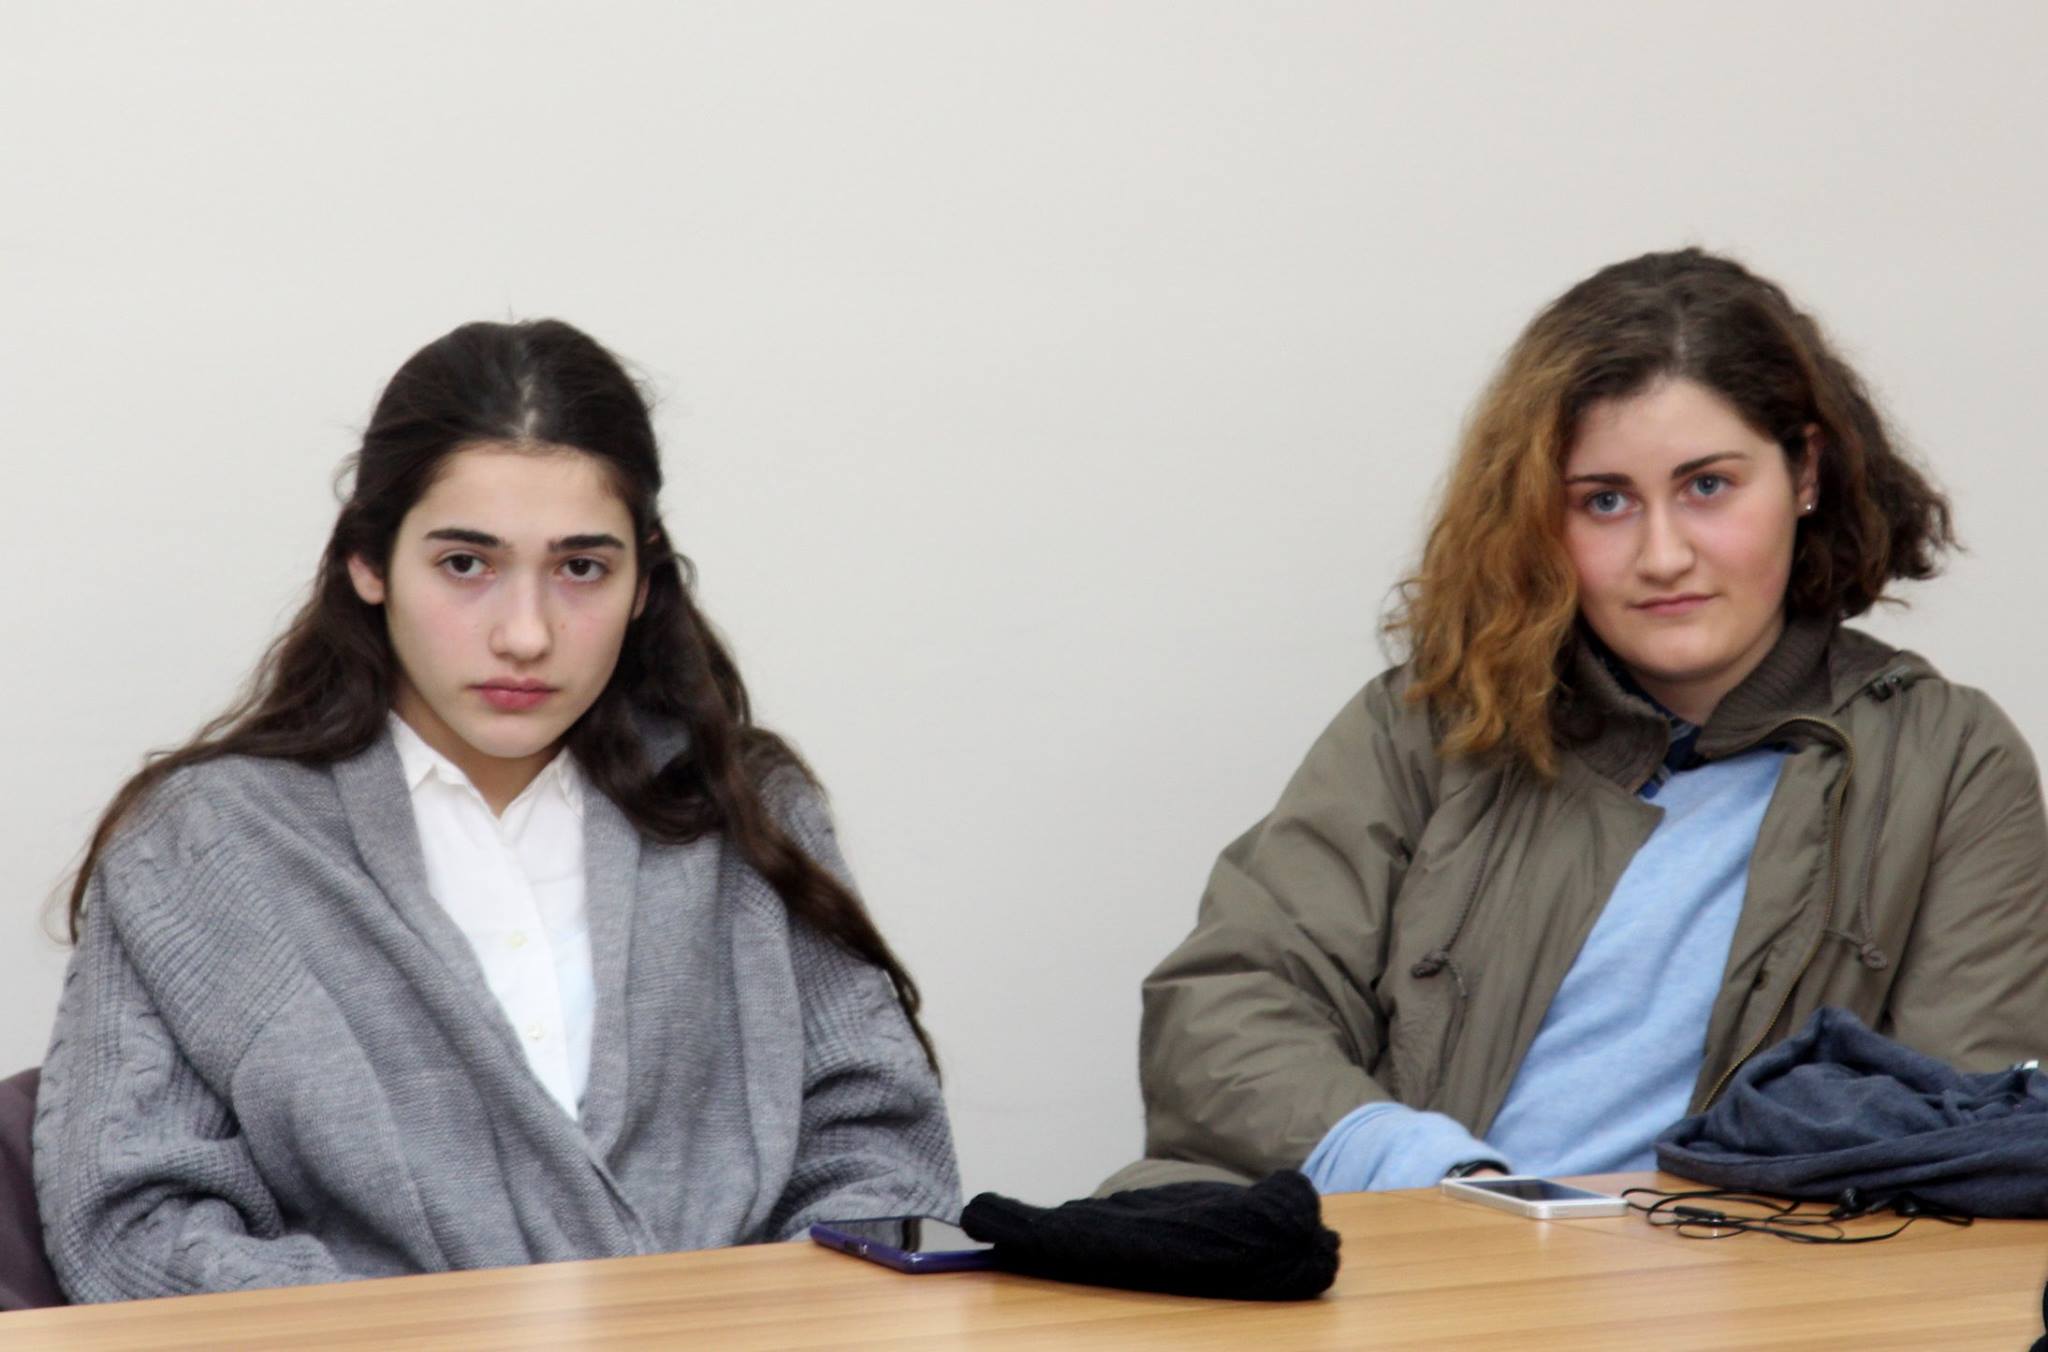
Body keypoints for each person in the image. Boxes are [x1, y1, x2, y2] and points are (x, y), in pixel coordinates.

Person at [34, 320, 960, 1301]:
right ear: (368, 562)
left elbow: (881, 1155)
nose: (526, 634)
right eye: (466, 565)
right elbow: (131, 1223)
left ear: (643, 581)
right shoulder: (203, 845)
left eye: (581, 568)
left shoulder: (746, 809)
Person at [1109, 248, 2048, 1194]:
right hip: (1394, 1246)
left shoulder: (1948, 761)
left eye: (1708, 486)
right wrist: (1427, 1171)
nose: (1663, 555)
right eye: (1605, 501)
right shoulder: (1429, 724)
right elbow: (1226, 1008)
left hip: (1740, 1272)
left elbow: (1965, 1138)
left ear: (1806, 471)